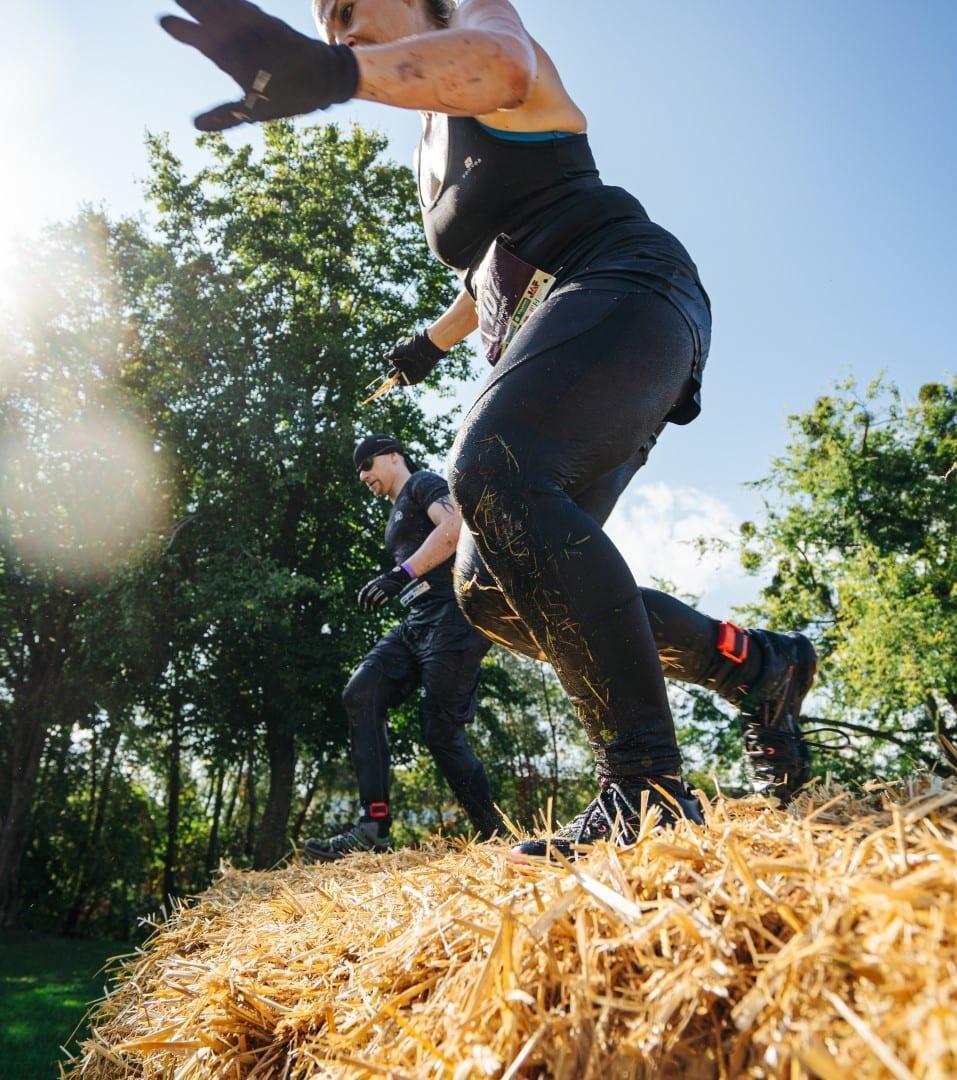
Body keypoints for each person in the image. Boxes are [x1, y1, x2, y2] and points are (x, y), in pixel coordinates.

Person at [161, 0, 817, 860]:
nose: (336, 31)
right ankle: (757, 667)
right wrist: (428, 345)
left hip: (627, 285)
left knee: (491, 466)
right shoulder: (429, 141)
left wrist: (337, 78)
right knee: (492, 594)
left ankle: (646, 785)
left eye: (348, 8)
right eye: (322, 27)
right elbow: (495, 272)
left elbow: (502, 62)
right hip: (574, 326)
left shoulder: (482, 31)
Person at [304, 435, 503, 859]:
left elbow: (454, 529)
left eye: (368, 464)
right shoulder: (394, 514)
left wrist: (399, 574)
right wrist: (402, 579)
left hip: (454, 618)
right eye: (358, 470)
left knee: (440, 730)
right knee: (361, 692)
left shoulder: (423, 484)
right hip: (415, 624)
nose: (363, 475)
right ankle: (373, 826)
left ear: (394, 456)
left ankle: (497, 837)